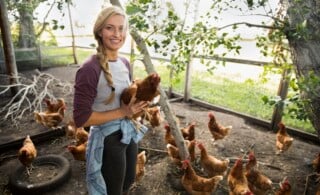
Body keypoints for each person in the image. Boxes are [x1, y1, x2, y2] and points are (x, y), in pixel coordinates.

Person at [73, 5, 149, 195]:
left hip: (128, 129)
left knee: (128, 180)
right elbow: (81, 119)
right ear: (99, 30)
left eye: (121, 28)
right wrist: (123, 112)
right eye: (110, 27)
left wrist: (139, 104)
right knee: (112, 189)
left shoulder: (124, 63)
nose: (117, 34)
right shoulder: (90, 69)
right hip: (108, 138)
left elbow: (125, 98)